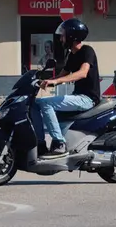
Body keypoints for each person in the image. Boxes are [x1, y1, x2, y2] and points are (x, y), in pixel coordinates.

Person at [32, 18, 100, 158]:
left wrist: (56, 81)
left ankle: (59, 143)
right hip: (78, 97)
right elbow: (61, 75)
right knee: (35, 104)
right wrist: (44, 81)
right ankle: (39, 143)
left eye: (63, 35)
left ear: (71, 36)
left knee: (46, 103)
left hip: (87, 99)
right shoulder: (72, 55)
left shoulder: (87, 51)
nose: (61, 39)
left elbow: (82, 73)